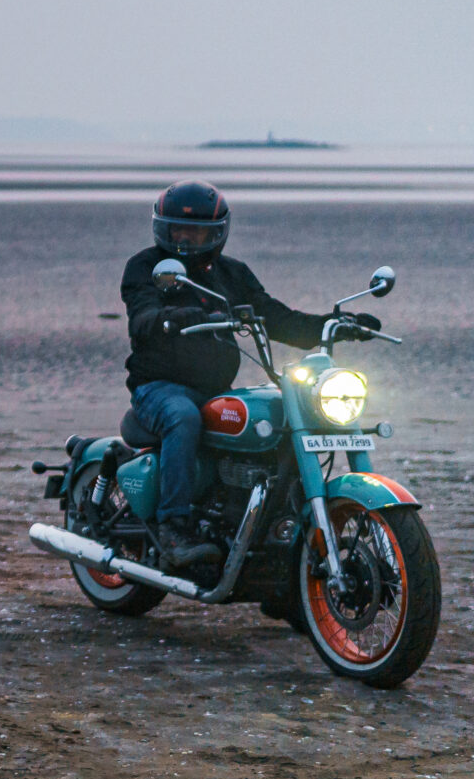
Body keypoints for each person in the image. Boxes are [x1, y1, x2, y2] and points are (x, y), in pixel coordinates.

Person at [121, 179, 375, 571]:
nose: (186, 239)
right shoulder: (148, 268)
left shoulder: (232, 274)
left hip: (214, 389)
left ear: (217, 234)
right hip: (159, 388)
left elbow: (276, 317)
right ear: (163, 229)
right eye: (178, 230)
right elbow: (142, 315)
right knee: (182, 417)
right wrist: (172, 317)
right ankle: (173, 526)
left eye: (197, 232)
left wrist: (336, 324)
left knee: (275, 419)